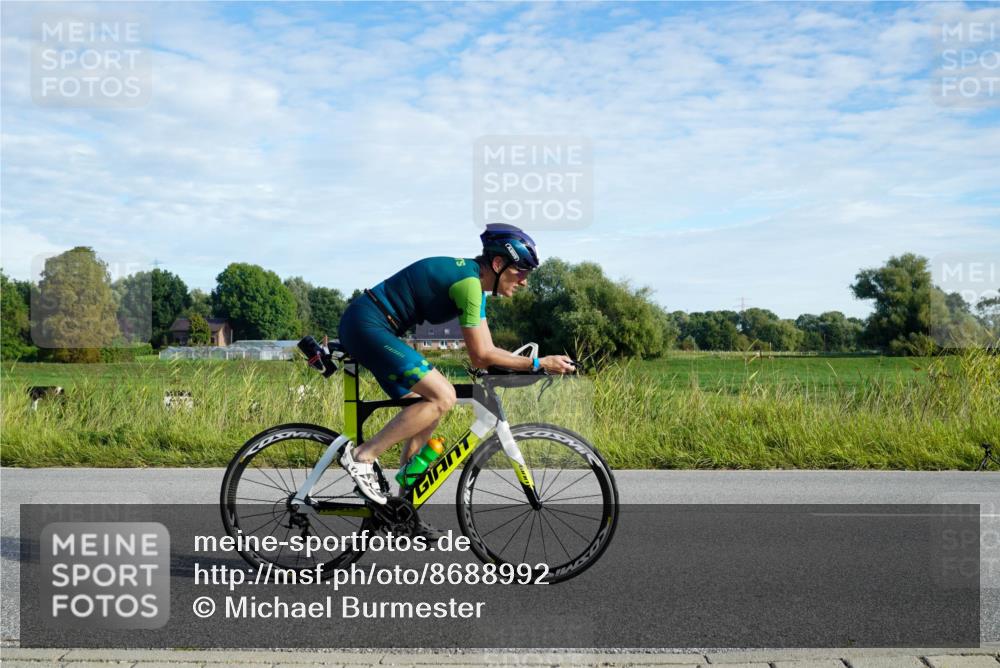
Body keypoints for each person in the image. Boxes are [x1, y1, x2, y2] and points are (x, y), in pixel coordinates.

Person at [337, 223, 576, 505]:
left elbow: (487, 350)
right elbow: (482, 355)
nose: (524, 280)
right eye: (520, 271)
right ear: (498, 263)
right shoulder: (469, 286)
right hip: (368, 325)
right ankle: (362, 456)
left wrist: (530, 364)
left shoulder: (474, 286)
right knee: (444, 395)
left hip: (376, 328)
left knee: (424, 408)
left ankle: (403, 507)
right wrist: (539, 362)